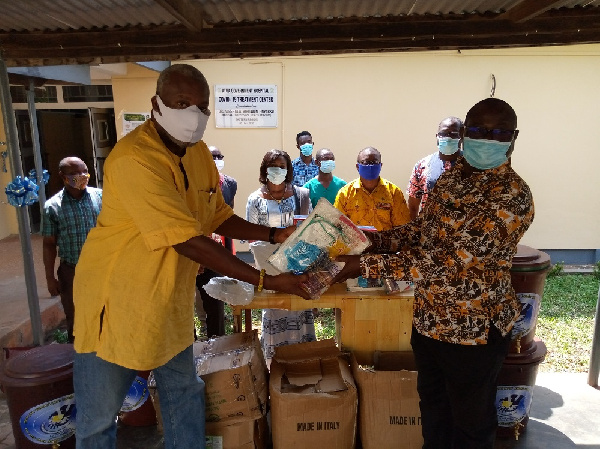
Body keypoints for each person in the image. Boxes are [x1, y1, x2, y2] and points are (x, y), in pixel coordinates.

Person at [71, 64, 310, 449]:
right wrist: (265, 281)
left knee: (184, 390)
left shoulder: (197, 153)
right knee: (100, 417)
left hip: (169, 299)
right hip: (117, 302)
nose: (193, 115)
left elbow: (215, 215)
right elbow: (188, 239)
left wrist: (272, 233)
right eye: (182, 103)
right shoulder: (134, 159)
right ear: (156, 104)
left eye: (202, 106)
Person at [334, 98, 534, 449]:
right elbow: (422, 231)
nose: (487, 138)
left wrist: (361, 265)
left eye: (498, 131)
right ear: (465, 134)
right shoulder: (450, 178)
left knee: (470, 425)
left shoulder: (512, 196)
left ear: (513, 138)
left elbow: (449, 263)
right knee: (434, 413)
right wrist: (370, 241)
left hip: (473, 330)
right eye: (478, 130)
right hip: (429, 321)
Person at [246, 149, 315, 363]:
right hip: (270, 271)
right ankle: (276, 364)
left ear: (288, 170)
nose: (278, 170)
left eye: (282, 167)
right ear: (265, 170)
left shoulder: (301, 195)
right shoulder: (255, 199)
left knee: (299, 311)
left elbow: (309, 229)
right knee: (275, 310)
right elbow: (251, 235)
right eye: (273, 166)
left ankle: (304, 361)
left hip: (296, 266)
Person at [42, 156, 102, 343]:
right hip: (72, 271)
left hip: (103, 267)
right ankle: (80, 363)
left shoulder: (101, 197)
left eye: (84, 171)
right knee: (76, 320)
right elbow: (49, 244)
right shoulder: (52, 207)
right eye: (75, 173)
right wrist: (50, 278)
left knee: (107, 315)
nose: (82, 176)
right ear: (63, 177)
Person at [195, 145, 237, 338]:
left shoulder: (230, 184)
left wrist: (228, 255)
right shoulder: (194, 184)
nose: (216, 160)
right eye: (212, 156)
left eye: (219, 156)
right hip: (193, 250)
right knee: (189, 306)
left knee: (216, 304)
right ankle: (192, 346)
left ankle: (216, 343)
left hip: (216, 252)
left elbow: (228, 219)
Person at [334, 146, 410, 231]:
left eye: (374, 162)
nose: (370, 166)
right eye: (365, 162)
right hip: (357, 243)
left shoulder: (394, 192)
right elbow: (338, 227)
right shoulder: (345, 194)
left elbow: (402, 227)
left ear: (381, 166)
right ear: (357, 167)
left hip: (385, 243)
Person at [406, 116, 463, 220]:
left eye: (454, 134)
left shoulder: (473, 166)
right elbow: (413, 207)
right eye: (444, 134)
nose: (448, 137)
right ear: (437, 137)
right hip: (430, 232)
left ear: (462, 137)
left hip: (463, 233)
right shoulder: (422, 166)